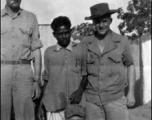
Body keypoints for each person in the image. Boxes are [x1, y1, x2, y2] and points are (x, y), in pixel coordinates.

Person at [82, 3, 136, 120]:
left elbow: (130, 65)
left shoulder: (121, 41)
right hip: (92, 101)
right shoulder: (86, 42)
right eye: (97, 22)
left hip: (115, 99)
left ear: (110, 21)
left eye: (104, 21)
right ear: (93, 23)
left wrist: (131, 92)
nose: (101, 25)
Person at [38, 16, 87, 120]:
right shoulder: (49, 52)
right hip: (54, 105)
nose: (64, 36)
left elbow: (85, 74)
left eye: (66, 32)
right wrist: (41, 104)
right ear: (54, 35)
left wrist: (80, 90)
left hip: (75, 106)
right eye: (60, 34)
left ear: (71, 31)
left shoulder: (80, 49)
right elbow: (47, 79)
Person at [1, 0, 43, 120]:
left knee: (26, 115)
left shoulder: (31, 18)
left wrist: (36, 80)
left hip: (24, 73)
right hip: (2, 72)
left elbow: (36, 50)